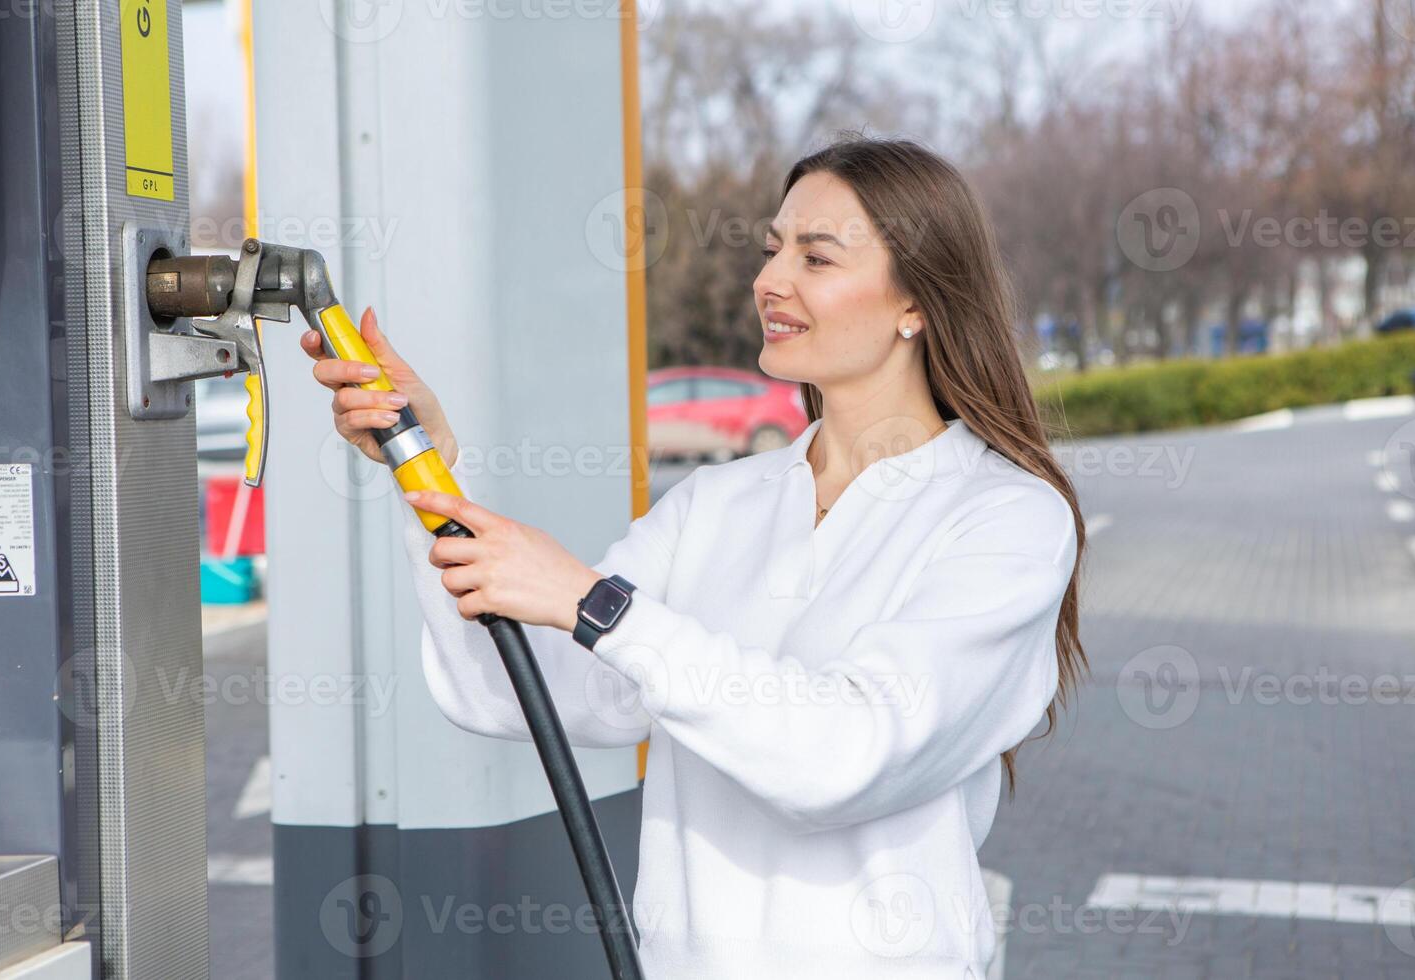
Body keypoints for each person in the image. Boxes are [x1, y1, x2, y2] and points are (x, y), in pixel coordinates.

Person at [301, 134, 1087, 979]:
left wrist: (597, 605)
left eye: (816, 257)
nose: (769, 280)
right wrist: (425, 462)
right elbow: (523, 688)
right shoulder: (717, 505)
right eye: (772, 248)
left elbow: (848, 755)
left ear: (917, 303)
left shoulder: (1004, 519)